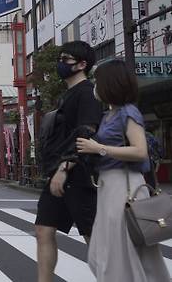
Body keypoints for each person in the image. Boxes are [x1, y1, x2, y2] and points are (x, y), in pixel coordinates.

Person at [77, 59, 170, 281]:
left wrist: (98, 148)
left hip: (125, 185)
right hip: (110, 187)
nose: (95, 88)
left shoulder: (128, 112)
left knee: (119, 250)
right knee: (107, 251)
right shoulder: (109, 114)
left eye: (98, 82)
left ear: (110, 84)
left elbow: (140, 151)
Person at [35, 41, 104, 282]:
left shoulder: (88, 93)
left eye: (66, 60)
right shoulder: (68, 94)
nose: (60, 64)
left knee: (92, 237)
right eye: (60, 59)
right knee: (43, 229)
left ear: (83, 65)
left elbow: (86, 131)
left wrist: (65, 168)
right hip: (59, 173)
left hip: (79, 174)